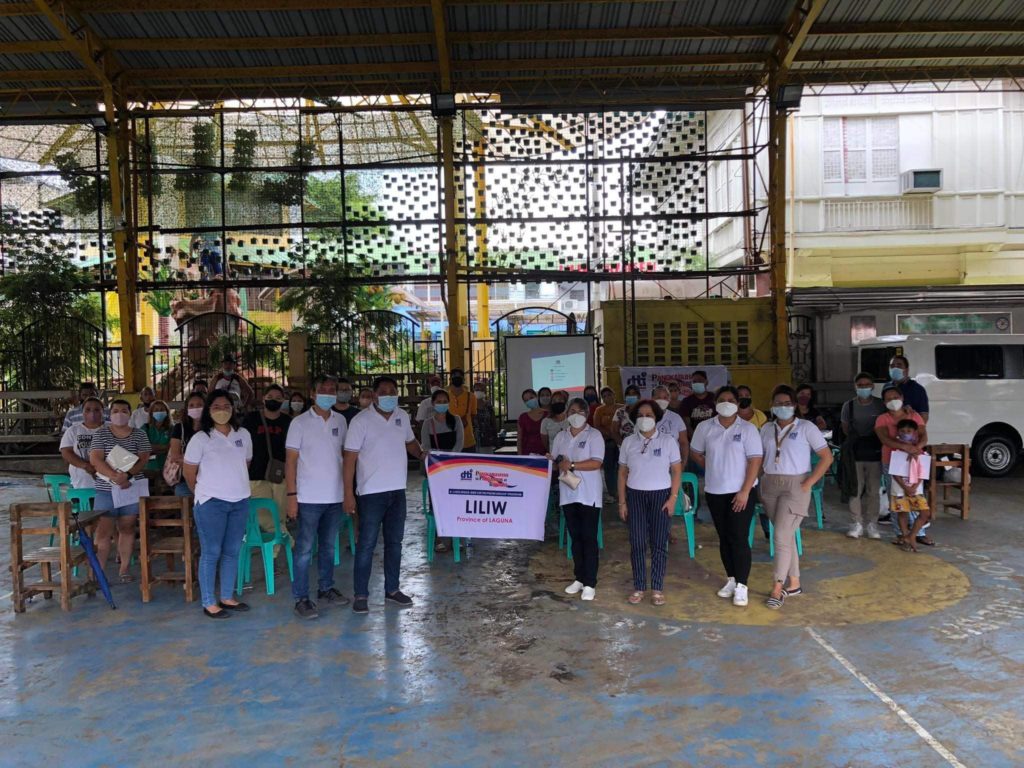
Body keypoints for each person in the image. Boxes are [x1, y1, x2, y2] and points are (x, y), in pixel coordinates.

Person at [344, 376, 426, 614]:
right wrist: (348, 494)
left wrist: (422, 455)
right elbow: (349, 459)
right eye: (384, 391)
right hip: (370, 494)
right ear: (375, 394)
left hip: (397, 492)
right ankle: (361, 594)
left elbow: (410, 442)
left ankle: (392, 589)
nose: (389, 395)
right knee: (367, 545)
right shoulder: (361, 421)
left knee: (395, 543)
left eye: (393, 391)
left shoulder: (401, 416)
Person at [759, 385, 832, 610]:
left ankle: (777, 588)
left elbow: (826, 457)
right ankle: (795, 583)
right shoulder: (766, 429)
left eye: (787, 403)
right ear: (772, 406)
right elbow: (758, 457)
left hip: (796, 486)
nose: (783, 407)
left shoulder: (806, 427)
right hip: (770, 484)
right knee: (786, 536)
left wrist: (809, 482)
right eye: (778, 403)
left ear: (795, 405)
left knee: (780, 535)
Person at [689, 386, 763, 608]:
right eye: (722, 399)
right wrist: (711, 466)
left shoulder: (748, 429)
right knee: (724, 537)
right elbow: (695, 452)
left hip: (741, 492)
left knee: (739, 537)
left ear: (738, 403)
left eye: (731, 399)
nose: (727, 402)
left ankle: (742, 585)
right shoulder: (705, 427)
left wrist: (744, 491)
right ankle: (731, 579)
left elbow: (755, 461)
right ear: (715, 403)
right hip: (715, 491)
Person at [182, 391, 253, 619]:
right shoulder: (201, 438)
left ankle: (227, 597)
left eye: (226, 405)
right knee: (211, 552)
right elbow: (189, 472)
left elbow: (246, 463)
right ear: (208, 410)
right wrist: (204, 493)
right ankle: (209, 602)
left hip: (240, 501)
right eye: (216, 406)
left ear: (233, 409)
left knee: (232, 551)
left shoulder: (243, 434)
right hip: (211, 503)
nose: (222, 410)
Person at [285, 375, 350, 620]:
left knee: (328, 546)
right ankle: (301, 598)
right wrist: (292, 496)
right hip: (308, 497)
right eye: (323, 389)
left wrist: (346, 492)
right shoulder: (299, 423)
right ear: (313, 394)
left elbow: (345, 457)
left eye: (332, 389)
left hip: (334, 496)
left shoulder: (341, 421)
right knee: (303, 549)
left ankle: (325, 589)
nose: (328, 393)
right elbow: (291, 462)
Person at [617, 399, 682, 606]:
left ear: (657, 418)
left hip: (660, 496)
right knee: (637, 543)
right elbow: (622, 473)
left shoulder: (668, 441)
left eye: (649, 415)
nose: (644, 419)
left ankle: (657, 588)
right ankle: (639, 587)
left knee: (658, 544)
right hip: (635, 496)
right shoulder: (629, 442)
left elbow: (677, 470)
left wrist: (673, 498)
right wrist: (622, 502)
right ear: (635, 418)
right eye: (640, 415)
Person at [88, 399, 151, 583]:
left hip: (130, 488)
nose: (120, 414)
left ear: (130, 414)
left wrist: (128, 475)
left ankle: (124, 569)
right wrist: (115, 476)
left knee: (127, 528)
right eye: (115, 410)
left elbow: (143, 458)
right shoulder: (101, 434)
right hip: (106, 489)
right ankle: (99, 572)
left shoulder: (139, 435)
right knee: (103, 531)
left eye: (124, 410)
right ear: (110, 413)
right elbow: (95, 459)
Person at [551, 398, 605, 601]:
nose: (575, 415)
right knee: (575, 538)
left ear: (586, 414)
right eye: (571, 411)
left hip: (588, 494)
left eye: (579, 411)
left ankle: (590, 582)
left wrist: (571, 465)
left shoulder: (594, 435)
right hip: (568, 493)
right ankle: (579, 578)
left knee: (589, 538)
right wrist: (554, 461)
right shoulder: (561, 436)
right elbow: (558, 463)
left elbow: (596, 463)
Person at [874, 384, 931, 545]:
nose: (893, 401)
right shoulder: (882, 419)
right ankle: (901, 533)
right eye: (888, 399)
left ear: (902, 398)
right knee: (897, 498)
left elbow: (923, 436)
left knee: (916, 495)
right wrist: (907, 448)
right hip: (892, 462)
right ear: (884, 402)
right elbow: (885, 439)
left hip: (915, 462)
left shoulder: (914, 416)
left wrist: (916, 450)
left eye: (896, 397)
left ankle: (918, 532)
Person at [840, 372, 886, 539]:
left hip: (875, 452)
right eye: (860, 385)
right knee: (855, 490)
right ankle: (856, 523)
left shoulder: (880, 405)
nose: (864, 387)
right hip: (855, 453)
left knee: (874, 491)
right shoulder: (848, 406)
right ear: (855, 387)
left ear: (873, 386)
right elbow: (845, 428)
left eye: (867, 384)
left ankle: (872, 524)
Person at [242, 384, 291, 527]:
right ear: (263, 399)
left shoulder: (288, 422)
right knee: (264, 516)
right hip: (256, 475)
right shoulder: (251, 419)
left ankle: (276, 547)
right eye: (270, 397)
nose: (273, 400)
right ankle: (285, 539)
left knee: (280, 515)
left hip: (279, 476)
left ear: (283, 400)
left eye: (278, 398)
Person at [889, 419, 933, 552]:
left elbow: (923, 473)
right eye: (902, 431)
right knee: (903, 513)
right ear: (898, 433)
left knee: (925, 513)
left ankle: (911, 535)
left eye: (908, 431)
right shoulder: (897, 451)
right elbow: (895, 473)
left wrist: (913, 487)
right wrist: (906, 487)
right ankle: (905, 535)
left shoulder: (921, 453)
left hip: (916, 490)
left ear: (915, 434)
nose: (905, 433)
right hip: (900, 489)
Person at [59, 396, 104, 490]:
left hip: (107, 483)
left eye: (97, 410)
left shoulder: (110, 429)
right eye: (88, 410)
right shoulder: (73, 430)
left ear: (102, 412)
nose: (92, 413)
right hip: (81, 483)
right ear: (82, 413)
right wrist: (86, 466)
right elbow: (66, 452)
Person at [168, 392, 206, 497]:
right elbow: (176, 457)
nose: (195, 408)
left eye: (199, 405)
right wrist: (202, 463)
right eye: (191, 405)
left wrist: (189, 460)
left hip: (210, 480)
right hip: (185, 481)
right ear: (187, 408)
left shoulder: (212, 430)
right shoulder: (179, 428)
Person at [593, 387, 620, 502]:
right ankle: (612, 493)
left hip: (621, 442)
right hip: (607, 442)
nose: (607, 397)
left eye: (609, 394)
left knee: (622, 467)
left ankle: (622, 491)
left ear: (614, 394)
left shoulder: (621, 408)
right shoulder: (599, 410)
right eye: (604, 396)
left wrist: (617, 436)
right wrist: (611, 434)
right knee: (609, 468)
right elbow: (597, 426)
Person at [652, 384, 690, 467]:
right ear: (652, 399)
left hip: (673, 464)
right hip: (651, 465)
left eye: (665, 397)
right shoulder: (645, 417)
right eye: (658, 397)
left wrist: (683, 464)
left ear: (669, 399)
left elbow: (683, 443)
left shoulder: (676, 418)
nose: (662, 400)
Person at [420, 389, 464, 454]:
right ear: (433, 403)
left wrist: (450, 456)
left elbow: (460, 443)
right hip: (435, 461)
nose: (442, 404)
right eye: (439, 402)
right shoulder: (427, 423)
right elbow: (426, 446)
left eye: (445, 401)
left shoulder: (456, 420)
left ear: (448, 403)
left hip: (453, 460)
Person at [889, 355, 929, 422]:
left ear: (907, 369)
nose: (895, 368)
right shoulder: (887, 387)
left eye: (899, 366)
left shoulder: (918, 389)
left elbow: (924, 418)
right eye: (892, 366)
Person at [447, 368, 479, 453]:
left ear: (463, 379)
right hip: (449, 440)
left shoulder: (471, 396)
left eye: (459, 377)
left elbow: (473, 415)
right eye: (454, 377)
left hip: (468, 441)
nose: (457, 378)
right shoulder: (445, 396)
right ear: (450, 379)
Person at [143, 399, 171, 480]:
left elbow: (172, 448)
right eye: (156, 410)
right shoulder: (145, 428)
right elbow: (144, 448)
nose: (159, 412)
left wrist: (153, 448)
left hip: (167, 468)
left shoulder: (172, 428)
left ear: (167, 412)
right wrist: (165, 447)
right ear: (151, 413)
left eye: (162, 410)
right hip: (148, 468)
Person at [517, 388, 547, 455]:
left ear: (536, 397)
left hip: (546, 454)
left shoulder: (547, 414)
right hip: (527, 455)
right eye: (526, 400)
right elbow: (519, 439)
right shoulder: (523, 417)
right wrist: (520, 456)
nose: (529, 401)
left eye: (531, 398)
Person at [471, 381, 499, 452]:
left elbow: (493, 424)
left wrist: (495, 439)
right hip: (472, 441)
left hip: (487, 441)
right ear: (473, 391)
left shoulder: (488, 406)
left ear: (485, 392)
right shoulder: (470, 406)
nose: (479, 392)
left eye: (481, 390)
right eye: (477, 390)